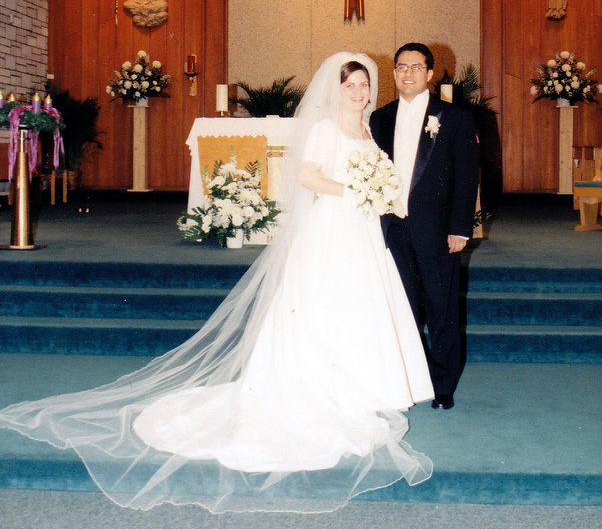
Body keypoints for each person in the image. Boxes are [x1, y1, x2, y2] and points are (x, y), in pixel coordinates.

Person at [0, 52, 433, 514]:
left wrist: (378, 193)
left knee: (360, 304)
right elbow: (307, 175)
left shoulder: (368, 129)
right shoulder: (325, 129)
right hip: (332, 228)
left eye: (364, 85)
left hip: (361, 230)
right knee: (325, 303)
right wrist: (355, 190)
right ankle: (325, 387)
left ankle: (363, 385)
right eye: (351, 85)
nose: (359, 92)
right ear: (336, 89)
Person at [370, 43, 479, 410]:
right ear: (394, 72)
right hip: (393, 229)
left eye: (416, 67)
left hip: (438, 230)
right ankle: (411, 381)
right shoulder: (380, 118)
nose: (408, 73)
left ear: (430, 74)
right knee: (403, 309)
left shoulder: (455, 118)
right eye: (402, 66)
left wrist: (460, 229)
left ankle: (443, 385)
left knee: (441, 308)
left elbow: (467, 177)